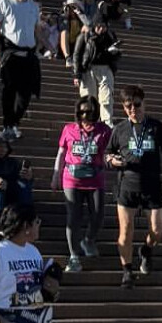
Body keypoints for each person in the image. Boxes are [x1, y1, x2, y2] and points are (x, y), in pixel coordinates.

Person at [106, 86, 162, 288]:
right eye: (129, 106)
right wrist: (111, 161)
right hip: (127, 186)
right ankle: (127, 271)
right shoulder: (119, 129)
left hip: (152, 186)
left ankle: (146, 250)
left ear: (144, 103)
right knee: (126, 231)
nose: (133, 109)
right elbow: (107, 153)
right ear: (123, 107)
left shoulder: (156, 127)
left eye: (137, 105)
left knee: (157, 231)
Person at [51, 95, 110, 271]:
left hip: (95, 177)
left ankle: (88, 240)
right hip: (72, 178)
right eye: (82, 112)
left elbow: (108, 152)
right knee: (73, 217)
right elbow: (61, 153)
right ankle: (74, 256)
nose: (86, 116)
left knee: (98, 214)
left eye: (89, 112)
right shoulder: (69, 129)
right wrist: (56, 175)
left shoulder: (104, 130)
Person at [0, 0, 41, 134]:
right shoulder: (4, 2)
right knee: (10, 88)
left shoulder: (34, 6)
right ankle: (8, 124)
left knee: (26, 93)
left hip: (28, 53)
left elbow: (36, 28)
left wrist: (40, 46)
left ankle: (14, 122)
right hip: (10, 53)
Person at [70, 14, 120, 124]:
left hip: (105, 68)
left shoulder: (110, 36)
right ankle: (89, 121)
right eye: (98, 26)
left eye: (103, 26)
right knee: (89, 97)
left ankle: (107, 123)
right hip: (88, 69)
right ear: (94, 26)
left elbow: (117, 55)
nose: (101, 29)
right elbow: (77, 55)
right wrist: (76, 74)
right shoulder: (85, 36)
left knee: (106, 98)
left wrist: (114, 52)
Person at [0, 133, 33, 222]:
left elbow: (19, 179)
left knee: (24, 184)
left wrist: (28, 176)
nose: (2, 149)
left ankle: (25, 214)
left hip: (10, 194)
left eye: (4, 147)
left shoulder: (13, 163)